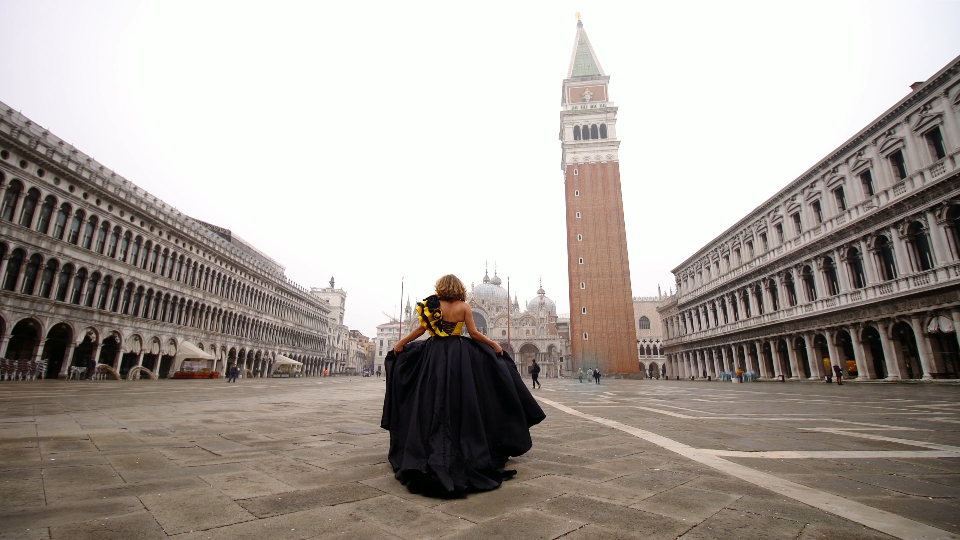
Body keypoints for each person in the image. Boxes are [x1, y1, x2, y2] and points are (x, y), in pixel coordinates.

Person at [382, 275, 545, 495]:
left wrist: (401, 343)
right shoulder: (464, 306)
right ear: (459, 289)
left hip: (434, 354)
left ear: (440, 287)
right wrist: (494, 344)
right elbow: (475, 333)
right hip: (459, 355)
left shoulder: (433, 305)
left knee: (431, 395)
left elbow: (421, 330)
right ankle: (466, 441)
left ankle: (427, 441)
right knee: (462, 395)